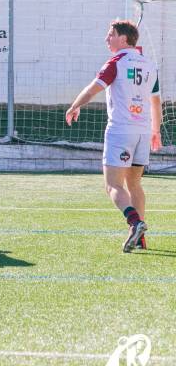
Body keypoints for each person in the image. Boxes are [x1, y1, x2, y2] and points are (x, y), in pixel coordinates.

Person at [65, 19, 162, 252]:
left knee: (112, 185)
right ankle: (139, 238)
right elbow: (156, 101)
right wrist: (155, 131)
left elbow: (93, 88)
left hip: (120, 131)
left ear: (124, 39)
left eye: (111, 34)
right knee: (135, 183)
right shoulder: (149, 65)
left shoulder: (116, 62)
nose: (107, 38)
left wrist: (74, 106)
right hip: (142, 131)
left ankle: (135, 223)